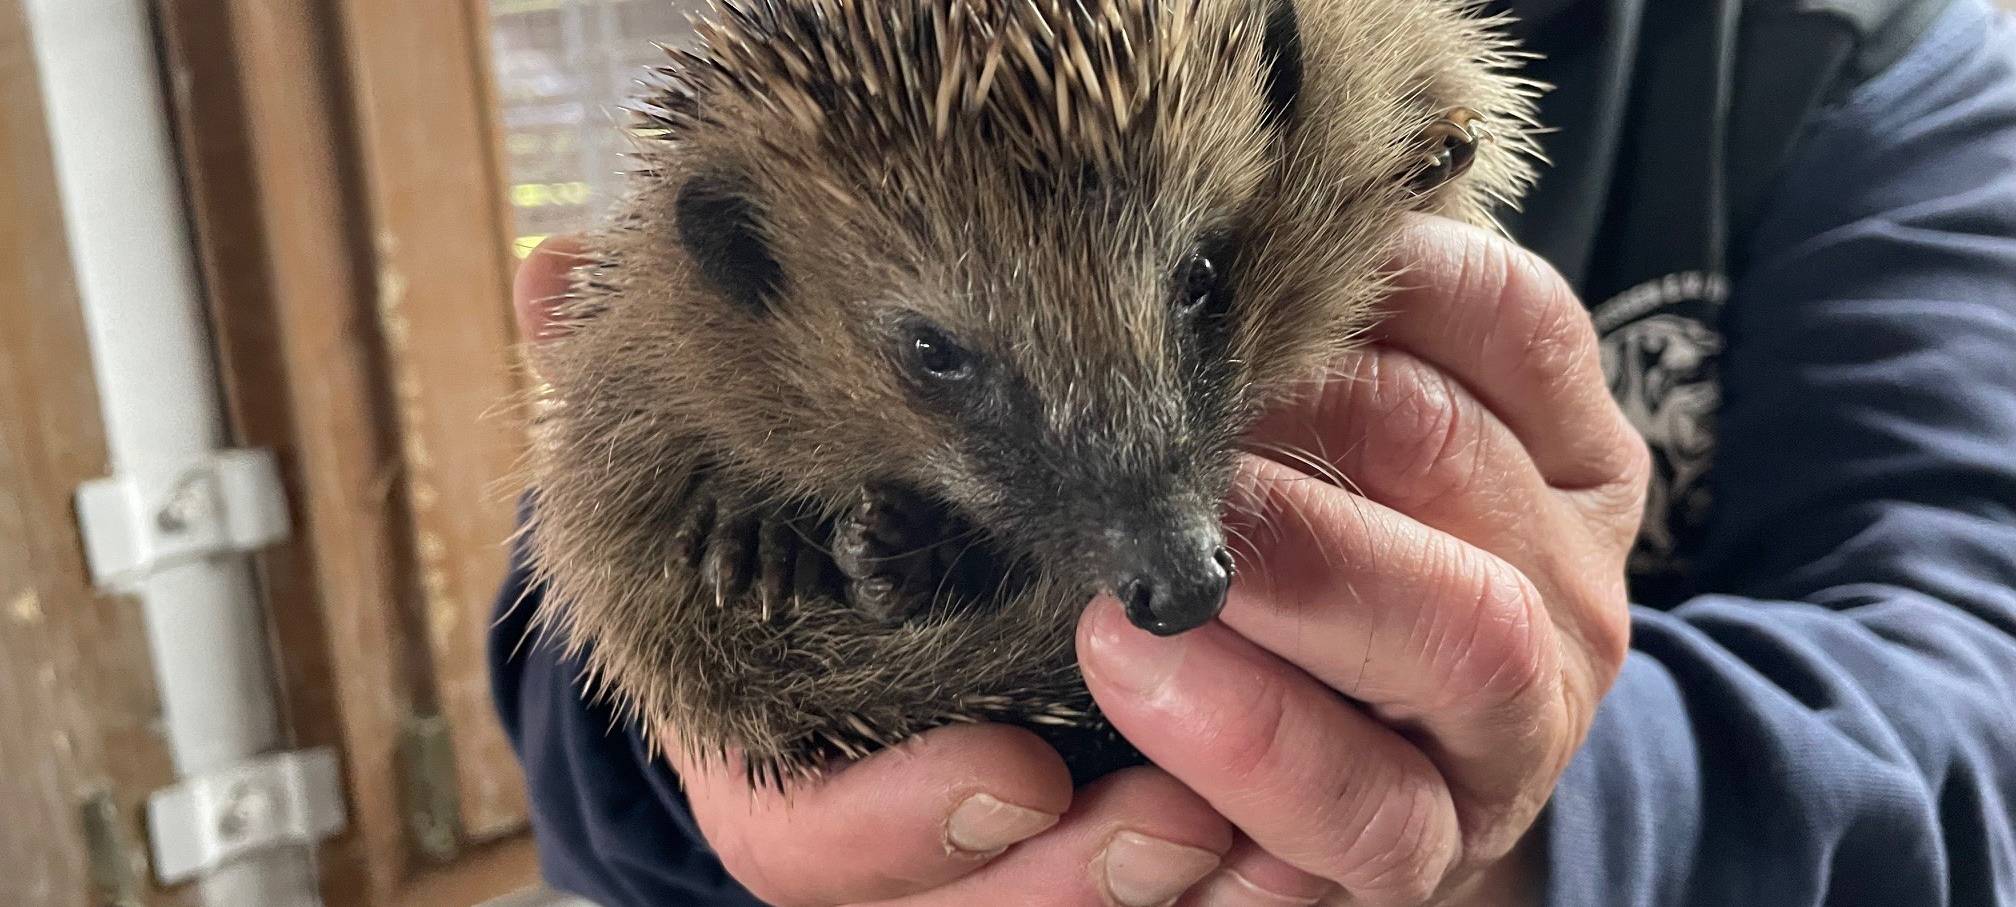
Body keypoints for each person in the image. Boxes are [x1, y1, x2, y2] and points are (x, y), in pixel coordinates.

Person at [488, 0, 2016, 903]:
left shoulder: (1884, 68)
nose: (1166, 555)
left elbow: (1973, 691)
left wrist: (1550, 819)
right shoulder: (731, 248)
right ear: (739, 260)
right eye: (944, 359)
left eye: (1199, 287)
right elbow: (580, 673)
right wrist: (695, 789)